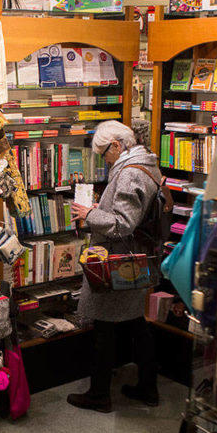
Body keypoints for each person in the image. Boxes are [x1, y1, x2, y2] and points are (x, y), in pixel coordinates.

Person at [67, 119, 163, 413]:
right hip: (135, 258)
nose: (104, 160)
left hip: (117, 259)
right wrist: (101, 208)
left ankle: (99, 395)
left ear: (118, 146)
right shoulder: (146, 164)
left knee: (104, 327)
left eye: (105, 153)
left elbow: (122, 224)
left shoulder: (129, 173)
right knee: (135, 323)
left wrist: (89, 214)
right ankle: (148, 388)